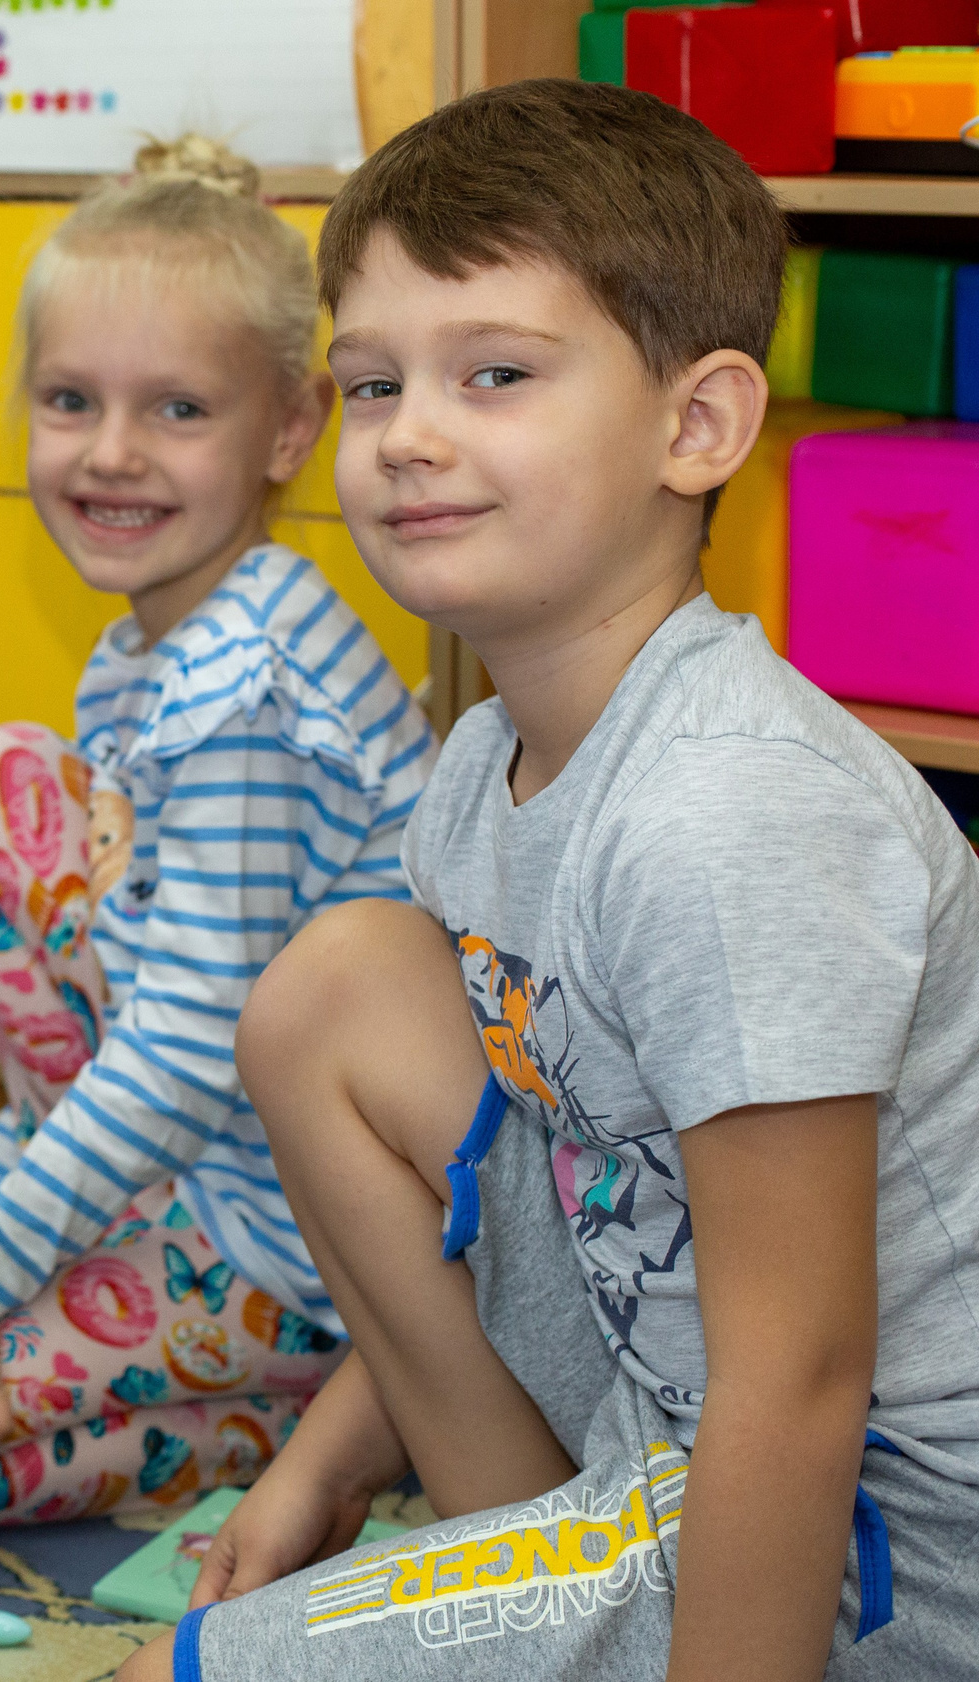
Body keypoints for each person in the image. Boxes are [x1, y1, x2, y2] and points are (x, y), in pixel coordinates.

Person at [122, 79, 979, 1682]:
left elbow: (801, 1372)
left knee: (184, 1673)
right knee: (335, 991)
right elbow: (545, 1168)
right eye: (372, 383)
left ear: (698, 425)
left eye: (495, 373)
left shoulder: (729, 813)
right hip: (662, 1394)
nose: (410, 434)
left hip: (890, 1539)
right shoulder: (481, 769)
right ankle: (525, 1557)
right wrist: (320, 1463)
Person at [0, 137, 434, 1528]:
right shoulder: (175, 637)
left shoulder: (241, 686)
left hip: (308, 1236)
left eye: (177, 409)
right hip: (221, 1136)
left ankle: (340, 1405)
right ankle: (96, 1227)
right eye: (71, 400)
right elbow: (148, 994)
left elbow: (186, 1049)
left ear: (291, 429)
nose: (112, 453)